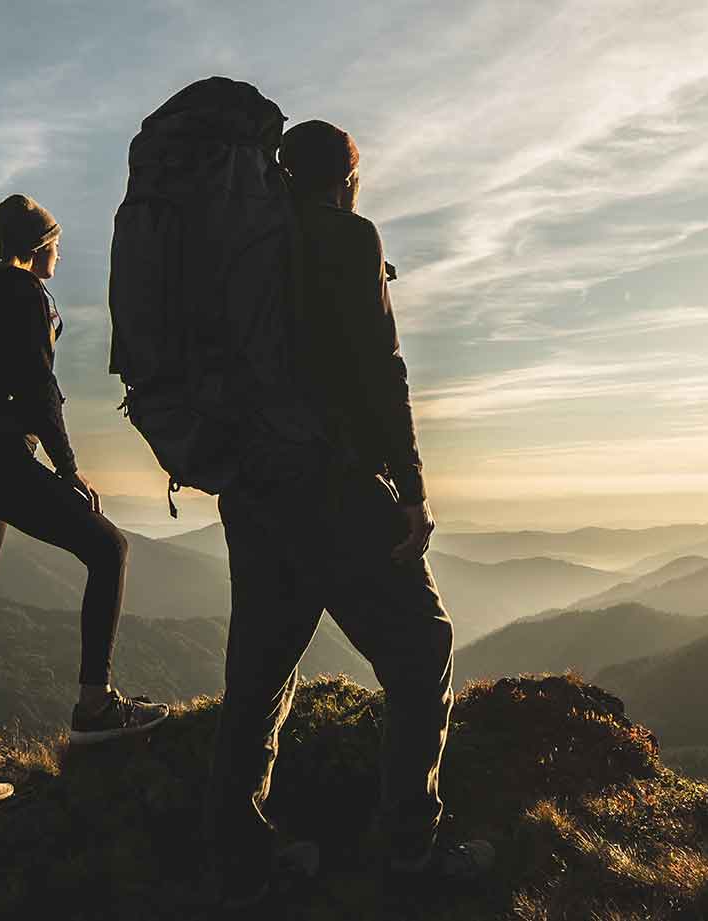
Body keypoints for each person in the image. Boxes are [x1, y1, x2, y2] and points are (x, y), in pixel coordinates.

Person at [206, 121, 492, 905]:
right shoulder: (348, 236)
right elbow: (380, 368)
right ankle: (409, 846)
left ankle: (239, 854)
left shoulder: (241, 250)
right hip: (332, 483)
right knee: (423, 645)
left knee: (260, 670)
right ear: (346, 179)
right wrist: (413, 487)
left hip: (252, 489)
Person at [0, 194, 171, 818]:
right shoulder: (23, 294)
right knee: (110, 548)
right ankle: (94, 706)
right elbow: (37, 390)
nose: (61, 252)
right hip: (1, 461)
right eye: (56, 242)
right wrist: (69, 469)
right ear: (39, 244)